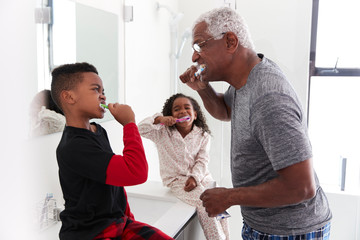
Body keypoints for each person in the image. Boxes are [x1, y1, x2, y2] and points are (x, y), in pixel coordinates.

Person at [179, 7, 332, 240]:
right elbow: (226, 110)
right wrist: (202, 88)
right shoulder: (245, 80)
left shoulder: (268, 96)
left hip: (290, 232)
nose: (194, 57)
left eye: (200, 45)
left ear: (230, 41)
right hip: (264, 225)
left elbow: (302, 187)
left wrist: (228, 197)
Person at [51, 62, 173, 240]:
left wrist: (128, 218)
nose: (102, 97)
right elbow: (135, 173)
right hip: (89, 234)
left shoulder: (98, 131)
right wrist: (129, 124)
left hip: (118, 224)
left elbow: (115, 184)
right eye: (95, 90)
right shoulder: (74, 147)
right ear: (69, 97)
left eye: (103, 92)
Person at [138, 93, 230, 240]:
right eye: (176, 109)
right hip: (177, 180)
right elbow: (141, 129)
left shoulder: (203, 136)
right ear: (171, 116)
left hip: (202, 177)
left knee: (219, 201)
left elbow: (202, 160)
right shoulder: (162, 133)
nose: (182, 111)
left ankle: (226, 237)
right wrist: (160, 119)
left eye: (187, 108)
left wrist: (195, 177)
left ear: (195, 115)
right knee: (205, 202)